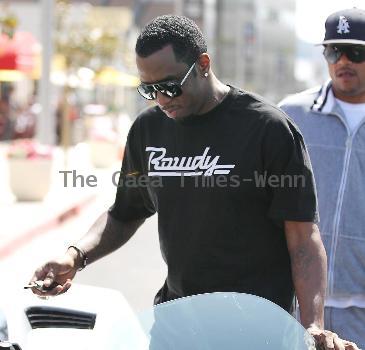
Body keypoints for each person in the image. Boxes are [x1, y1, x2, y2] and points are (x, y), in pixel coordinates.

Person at [30, 15, 356, 349]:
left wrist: (313, 325)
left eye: (170, 86)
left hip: (258, 330)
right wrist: (75, 256)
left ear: (202, 64)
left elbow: (303, 238)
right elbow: (124, 213)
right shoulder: (148, 130)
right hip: (177, 325)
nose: (161, 98)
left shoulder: (268, 129)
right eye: (148, 89)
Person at [279, 7, 365, 349]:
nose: (343, 60)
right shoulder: (291, 115)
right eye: (334, 51)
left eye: (356, 52)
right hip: (296, 304)